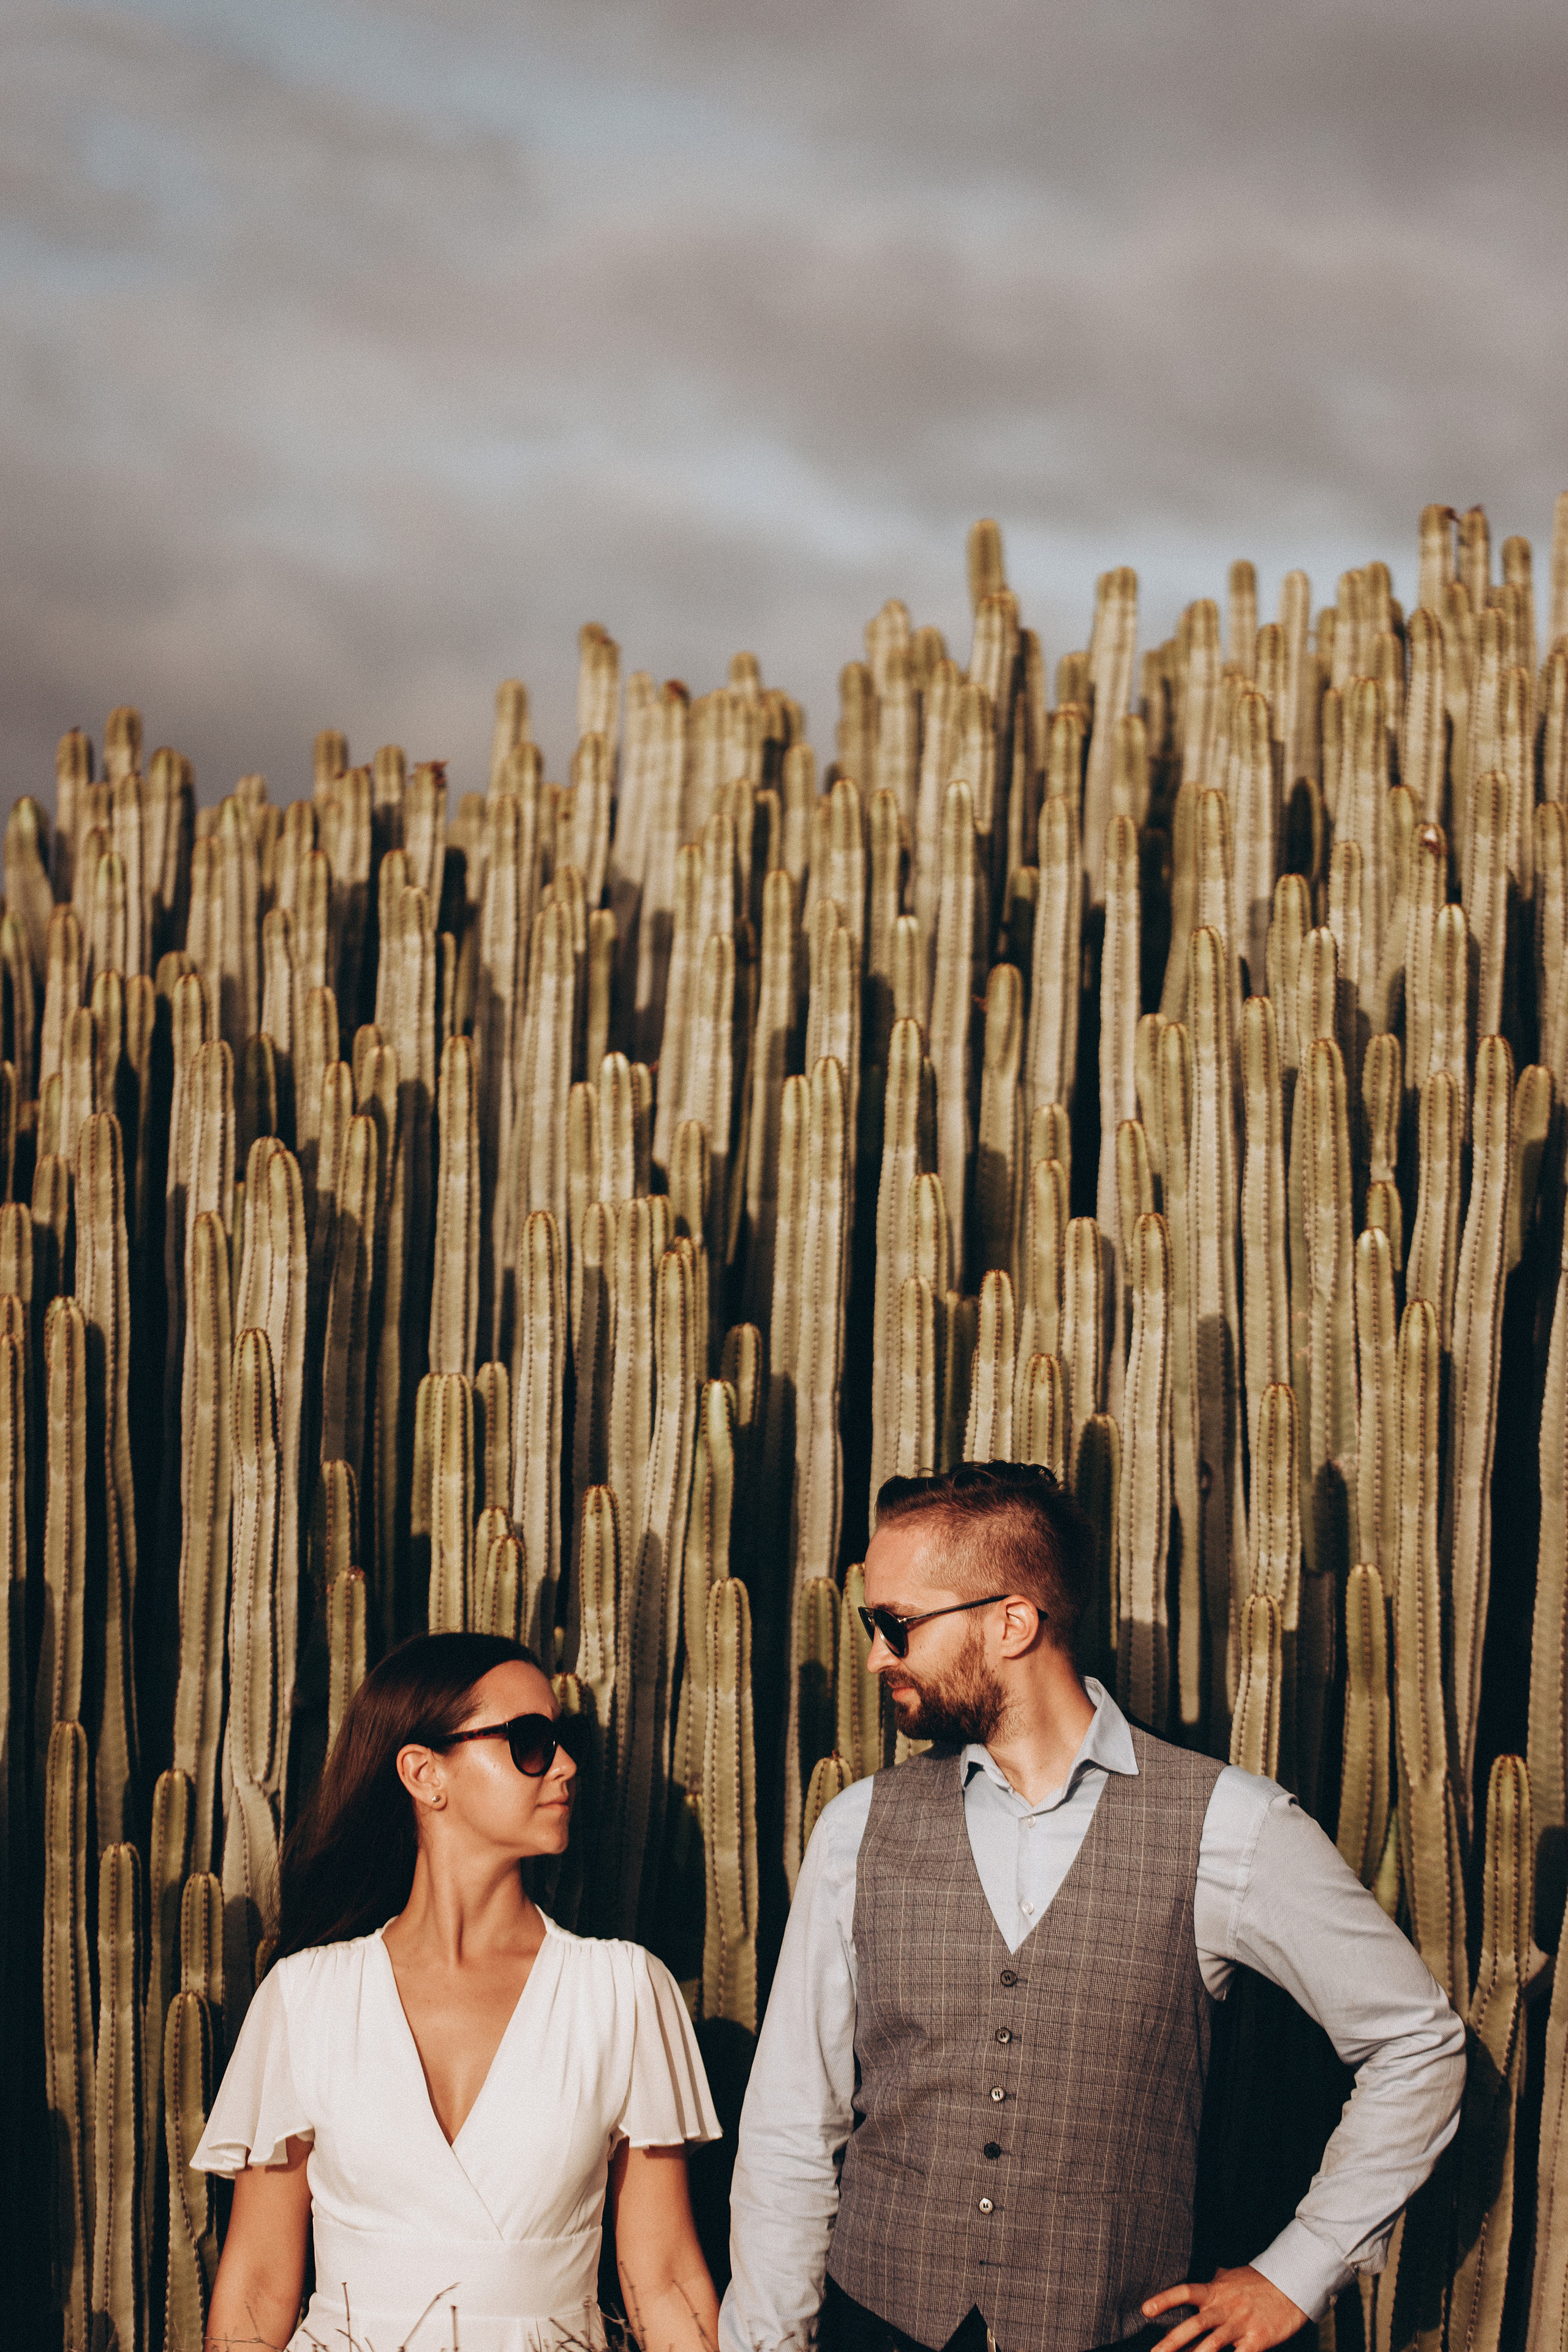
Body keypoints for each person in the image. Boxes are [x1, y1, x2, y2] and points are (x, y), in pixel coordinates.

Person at [721, 1463, 1466, 2352]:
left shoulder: (1230, 1826)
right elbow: (791, 2131)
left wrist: (1296, 2273)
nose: (879, 1654)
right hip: (875, 2324)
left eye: (897, 1624)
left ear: (1012, 1623)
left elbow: (1418, 2043)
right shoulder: (856, 1831)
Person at [197, 1631, 722, 2352]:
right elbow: (256, 2286)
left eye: (561, 1740)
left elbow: (662, 2279)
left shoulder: (624, 1991)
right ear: (423, 1774)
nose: (565, 1766)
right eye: (529, 1741)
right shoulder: (304, 1999)